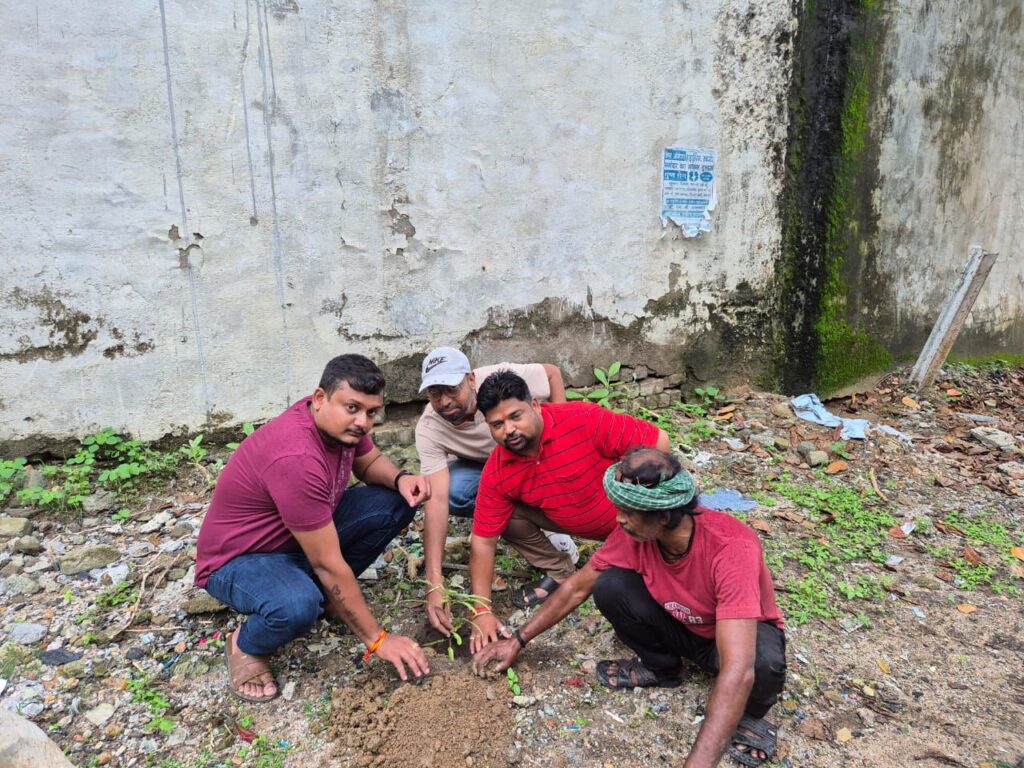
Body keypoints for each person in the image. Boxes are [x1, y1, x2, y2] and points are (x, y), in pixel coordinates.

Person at [472, 448, 786, 767]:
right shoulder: (634, 535)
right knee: (611, 585)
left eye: (629, 512)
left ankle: (755, 714)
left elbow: (737, 667)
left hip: (727, 641)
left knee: (762, 663)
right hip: (681, 625)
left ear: (663, 516)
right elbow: (576, 588)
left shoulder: (730, 547)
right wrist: (517, 640)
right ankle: (662, 668)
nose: (619, 518)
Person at [195, 354, 431, 703]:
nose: (363, 422)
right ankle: (245, 645)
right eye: (352, 408)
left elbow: (368, 462)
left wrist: (400, 478)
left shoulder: (340, 427)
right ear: (320, 398)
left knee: (396, 502)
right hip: (240, 561)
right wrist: (377, 639)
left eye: (371, 412)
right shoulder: (297, 458)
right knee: (297, 606)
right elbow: (327, 563)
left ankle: (332, 599)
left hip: (295, 538)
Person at [467, 370, 671, 652]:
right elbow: (483, 540)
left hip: (632, 522)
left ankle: (642, 555)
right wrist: (481, 611)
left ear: (535, 405)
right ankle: (559, 568)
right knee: (503, 516)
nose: (509, 429)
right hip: (573, 520)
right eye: (497, 424)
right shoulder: (497, 470)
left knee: (622, 586)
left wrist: (639, 505)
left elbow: (659, 442)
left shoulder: (582, 419)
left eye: (515, 416)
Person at [414, 346, 577, 635]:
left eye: (452, 389)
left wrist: (561, 439)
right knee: (457, 491)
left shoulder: (499, 384)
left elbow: (551, 373)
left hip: (533, 456)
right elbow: (436, 501)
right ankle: (556, 564)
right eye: (435, 393)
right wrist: (434, 583)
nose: (445, 401)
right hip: (493, 471)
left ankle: (554, 523)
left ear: (471, 380)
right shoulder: (429, 428)